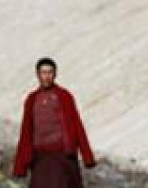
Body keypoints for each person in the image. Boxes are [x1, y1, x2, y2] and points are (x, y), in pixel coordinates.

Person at [12, 57, 97, 187]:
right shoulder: (32, 100)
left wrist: (87, 157)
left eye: (50, 72)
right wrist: (20, 166)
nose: (46, 76)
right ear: (37, 75)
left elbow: (77, 125)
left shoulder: (64, 96)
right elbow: (26, 132)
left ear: (55, 74)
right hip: (40, 159)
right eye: (43, 72)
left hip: (63, 157)